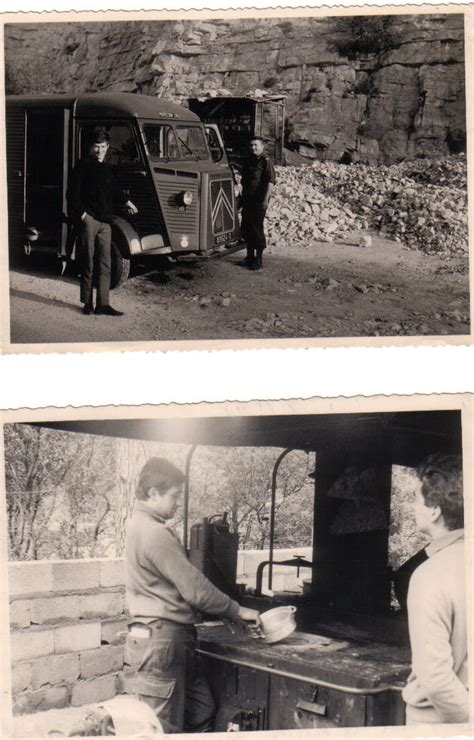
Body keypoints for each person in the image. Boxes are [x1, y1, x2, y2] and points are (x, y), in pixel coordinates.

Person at [124, 457, 260, 734]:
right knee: (162, 727)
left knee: (202, 710)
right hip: (162, 641)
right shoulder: (154, 532)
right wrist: (237, 610)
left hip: (167, 638)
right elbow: (195, 590)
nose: (178, 503)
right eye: (174, 495)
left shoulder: (136, 523)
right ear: (153, 493)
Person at [402, 453, 468, 725]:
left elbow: (435, 679)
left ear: (434, 510)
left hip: (439, 724)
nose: (412, 507)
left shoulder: (429, 575)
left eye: (416, 499)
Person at [67, 127, 138, 316]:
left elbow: (114, 189)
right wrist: (83, 215)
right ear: (92, 147)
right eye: (96, 146)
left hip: (106, 222)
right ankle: (88, 303)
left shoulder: (106, 168)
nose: (100, 150)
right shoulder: (82, 165)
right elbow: (72, 195)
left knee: (105, 263)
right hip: (90, 221)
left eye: (103, 146)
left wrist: (127, 201)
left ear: (108, 147)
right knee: (88, 261)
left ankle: (103, 304)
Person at [240, 137, 276, 271]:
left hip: (258, 200)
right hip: (247, 199)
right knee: (246, 227)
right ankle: (249, 257)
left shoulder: (266, 161)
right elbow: (245, 181)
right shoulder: (249, 160)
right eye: (251, 145)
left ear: (262, 147)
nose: (253, 148)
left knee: (257, 228)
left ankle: (259, 260)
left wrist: (266, 200)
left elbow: (270, 182)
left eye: (255, 145)